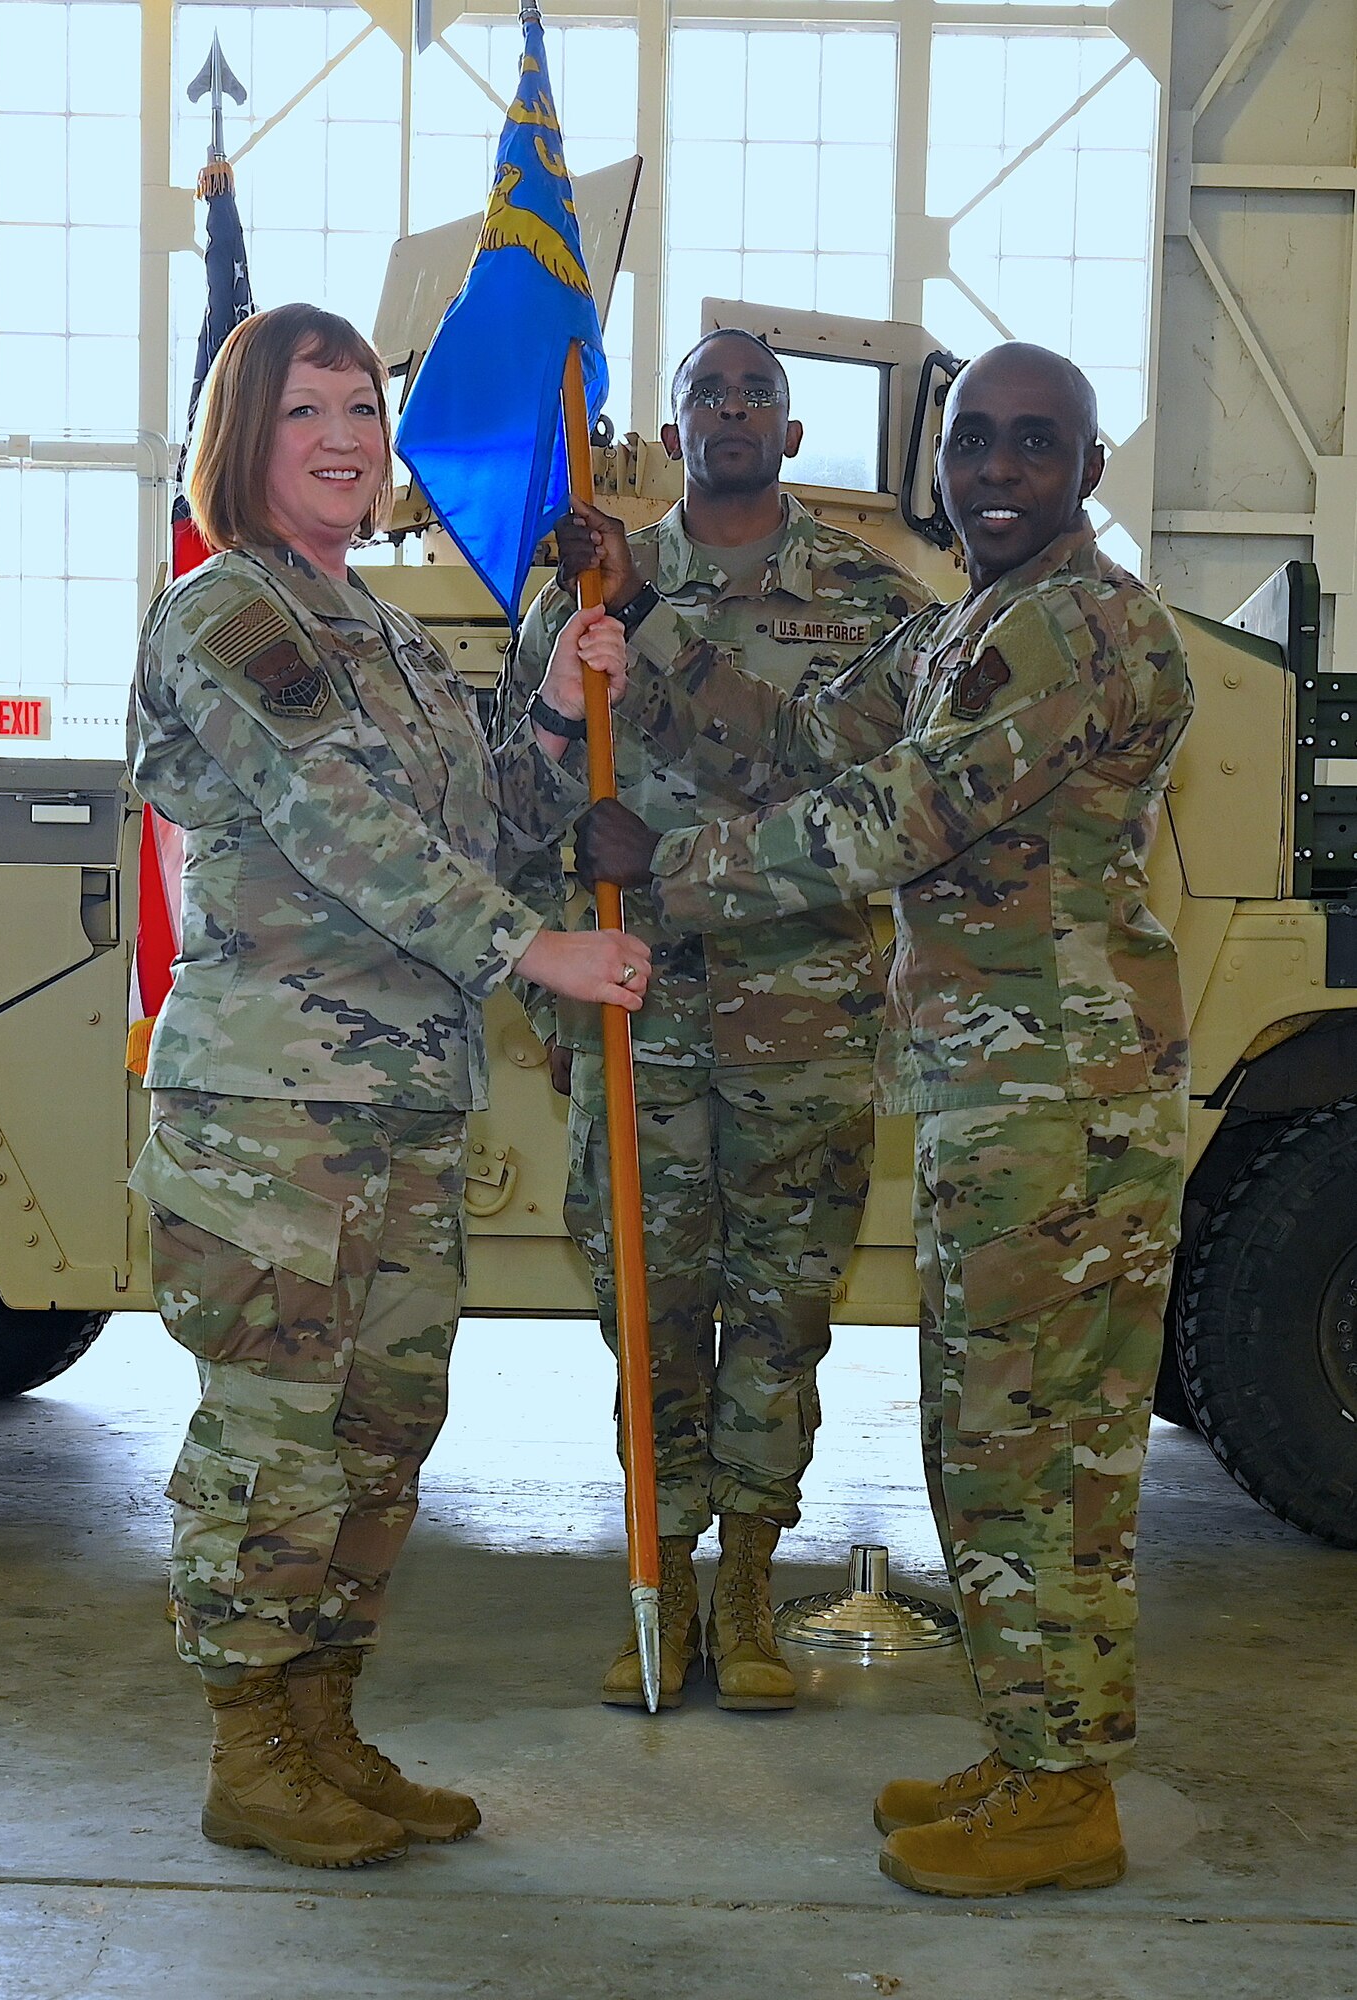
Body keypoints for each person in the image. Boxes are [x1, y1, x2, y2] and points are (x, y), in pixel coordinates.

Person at [527, 342, 1192, 1897]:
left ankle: (1064, 1790)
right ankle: (1032, 1746)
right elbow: (809, 724)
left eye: (1039, 446)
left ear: (1089, 471)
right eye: (976, 446)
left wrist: (662, 876)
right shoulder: (977, 619)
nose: (1002, 475)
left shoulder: (1081, 629)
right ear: (936, 465)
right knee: (988, 1438)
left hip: (1062, 1103)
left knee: (1046, 1450)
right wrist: (636, 607)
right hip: (993, 1091)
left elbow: (894, 817)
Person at [127, 302, 649, 1870]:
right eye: (306, 413)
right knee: (274, 1438)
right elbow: (342, 825)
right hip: (272, 1119)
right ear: (245, 438)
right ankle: (247, 1748)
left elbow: (481, 814)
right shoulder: (231, 617)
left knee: (381, 1429)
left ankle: (325, 1726)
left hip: (404, 1111)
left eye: (362, 406)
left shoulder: (392, 635)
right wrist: (532, 952)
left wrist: (557, 700)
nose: (346, 438)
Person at [492, 328, 932, 1713]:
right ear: (672, 436)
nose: (735, 410)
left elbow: (854, 782)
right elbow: (523, 780)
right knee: (648, 1300)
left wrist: (660, 647)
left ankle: (749, 1580)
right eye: (708, 395)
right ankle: (661, 1578)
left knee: (785, 1302)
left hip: (800, 1003)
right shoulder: (581, 588)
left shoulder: (871, 600)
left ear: (792, 435)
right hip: (639, 1009)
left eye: (760, 394)